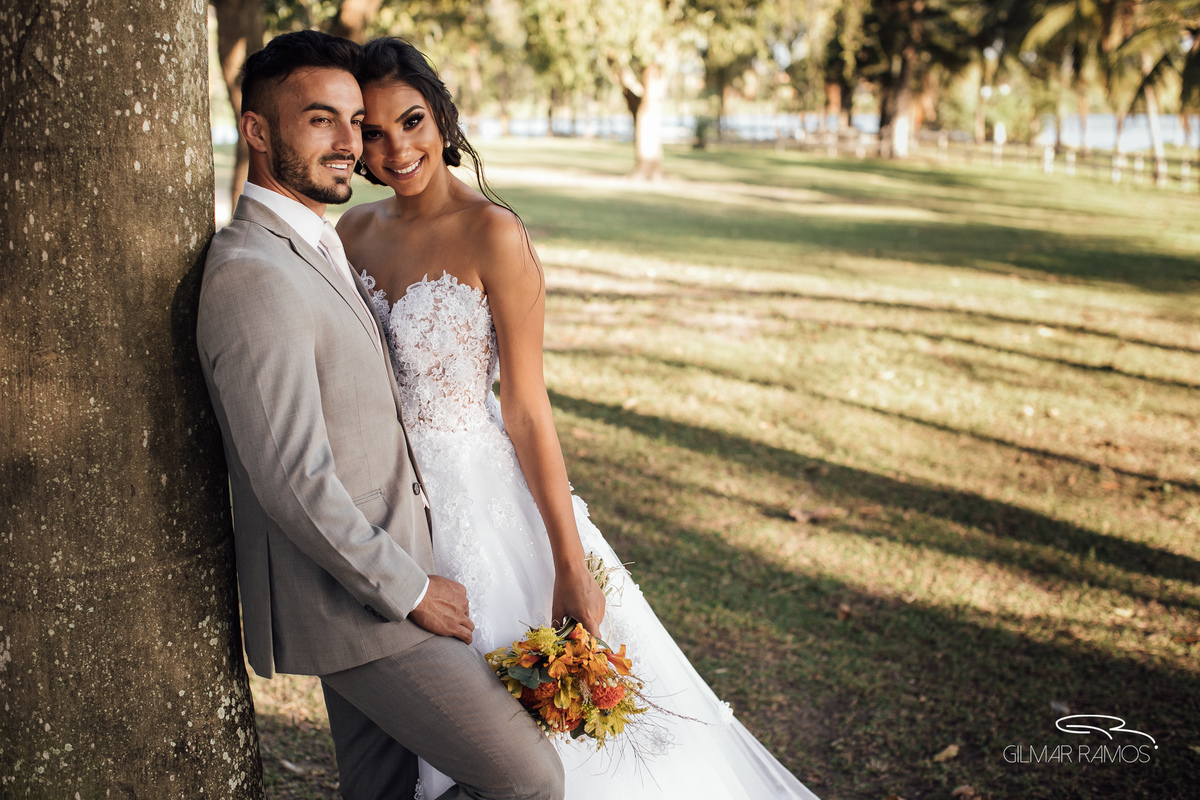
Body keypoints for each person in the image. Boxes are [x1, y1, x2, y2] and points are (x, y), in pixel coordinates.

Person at [338, 36, 822, 800]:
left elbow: (526, 409)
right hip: (391, 505)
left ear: (442, 121)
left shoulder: (495, 234)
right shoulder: (352, 236)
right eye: (373, 130)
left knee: (524, 727)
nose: (396, 147)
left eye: (413, 121)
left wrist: (568, 563)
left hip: (480, 502)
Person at [196, 30, 564, 800]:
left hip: (413, 550)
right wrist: (410, 589)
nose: (349, 143)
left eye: (350, 119)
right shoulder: (253, 272)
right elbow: (291, 478)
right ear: (258, 131)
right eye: (320, 120)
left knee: (383, 790)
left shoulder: (320, 240)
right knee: (527, 780)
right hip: (363, 598)